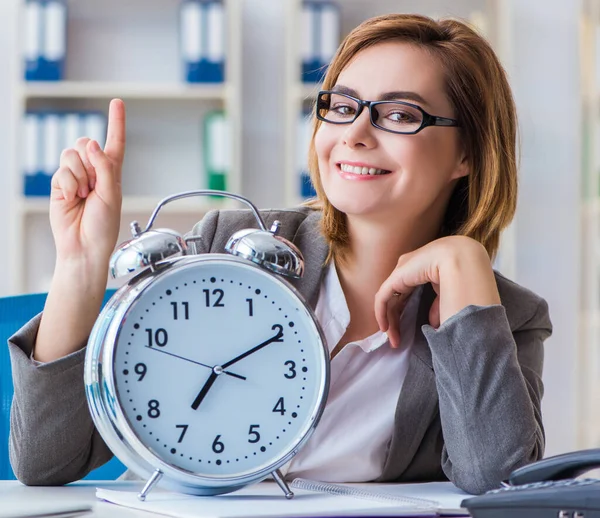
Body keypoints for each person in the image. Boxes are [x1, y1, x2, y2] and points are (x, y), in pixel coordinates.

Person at [8, 13, 551, 495]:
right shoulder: (229, 242)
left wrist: (463, 264)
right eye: (342, 106)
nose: (355, 133)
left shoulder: (507, 316)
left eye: (401, 115)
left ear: (467, 154)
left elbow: (496, 482)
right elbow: (46, 462)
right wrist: (79, 265)